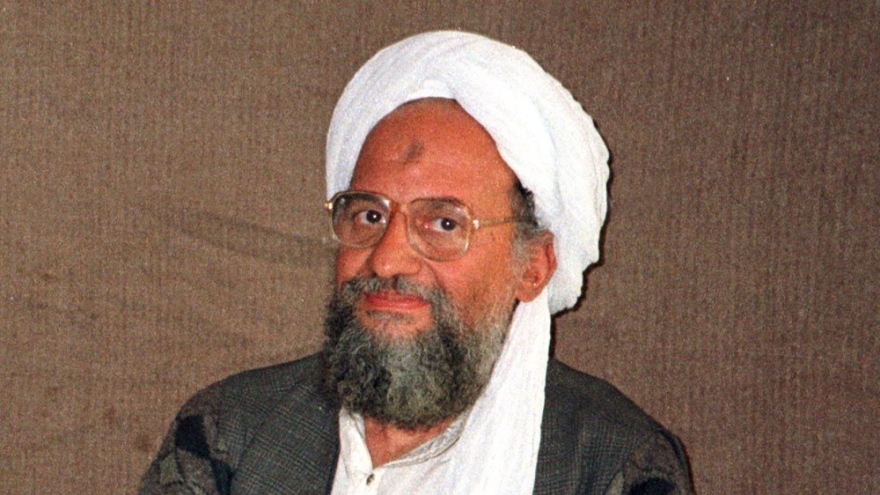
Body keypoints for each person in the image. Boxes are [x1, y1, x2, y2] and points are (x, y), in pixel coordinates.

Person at [140, 31, 693, 495]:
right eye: (369, 216)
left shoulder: (613, 467)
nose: (387, 260)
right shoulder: (227, 435)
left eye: (444, 223)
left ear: (533, 266)